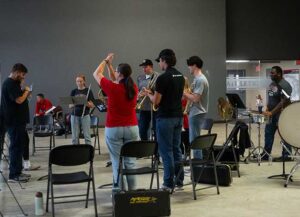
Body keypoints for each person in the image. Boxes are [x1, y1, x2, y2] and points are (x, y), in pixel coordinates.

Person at [93, 53, 139, 191]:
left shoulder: (112, 88)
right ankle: (132, 192)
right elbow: (115, 79)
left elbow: (96, 73)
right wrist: (110, 66)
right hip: (132, 127)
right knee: (130, 162)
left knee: (116, 162)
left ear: (120, 74)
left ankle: (119, 191)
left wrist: (105, 60)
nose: (115, 74)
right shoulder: (133, 88)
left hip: (114, 128)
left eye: (117, 72)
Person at [145, 49, 185, 191]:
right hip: (178, 116)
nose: (159, 64)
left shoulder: (162, 78)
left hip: (165, 118)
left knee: (166, 151)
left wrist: (149, 94)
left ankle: (168, 183)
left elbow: (156, 102)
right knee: (176, 149)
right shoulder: (180, 76)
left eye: (160, 61)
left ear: (164, 61)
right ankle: (179, 181)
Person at [0, 63, 31, 182]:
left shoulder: (14, 84)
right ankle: (14, 175)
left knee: (19, 146)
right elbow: (19, 100)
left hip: (18, 121)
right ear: (17, 72)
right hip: (14, 121)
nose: (23, 77)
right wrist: (26, 91)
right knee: (15, 147)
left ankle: (18, 171)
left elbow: (18, 97)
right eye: (22, 75)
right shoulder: (9, 83)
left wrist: (23, 90)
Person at [262, 66, 292, 161]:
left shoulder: (285, 85)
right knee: (268, 133)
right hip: (271, 114)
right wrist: (267, 108)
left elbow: (283, 101)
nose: (271, 74)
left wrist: (272, 112)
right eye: (271, 73)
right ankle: (266, 154)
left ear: (279, 74)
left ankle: (286, 155)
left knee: (284, 135)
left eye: (273, 73)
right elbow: (271, 98)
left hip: (281, 114)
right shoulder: (272, 84)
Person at [183, 56, 209, 159]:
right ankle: (197, 165)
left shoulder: (200, 80)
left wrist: (184, 93)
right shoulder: (197, 79)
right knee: (194, 139)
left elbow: (196, 98)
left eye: (189, 66)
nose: (188, 68)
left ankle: (197, 166)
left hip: (197, 112)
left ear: (194, 66)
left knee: (194, 141)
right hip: (196, 112)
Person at [137, 59, 159, 140]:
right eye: (143, 67)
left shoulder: (158, 77)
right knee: (142, 130)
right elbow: (139, 90)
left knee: (156, 131)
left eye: (146, 67)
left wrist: (151, 92)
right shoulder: (140, 77)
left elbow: (160, 92)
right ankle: (145, 148)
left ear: (151, 67)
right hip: (144, 108)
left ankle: (156, 150)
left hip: (155, 108)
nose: (144, 69)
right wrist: (139, 95)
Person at [70, 74, 95, 145]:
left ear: (84, 81)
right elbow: (70, 106)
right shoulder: (73, 91)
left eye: (80, 81)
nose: (79, 83)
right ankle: (76, 152)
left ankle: (88, 153)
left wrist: (85, 102)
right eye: (77, 81)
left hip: (85, 115)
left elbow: (92, 105)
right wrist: (75, 103)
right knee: (75, 137)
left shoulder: (88, 91)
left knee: (87, 136)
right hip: (74, 116)